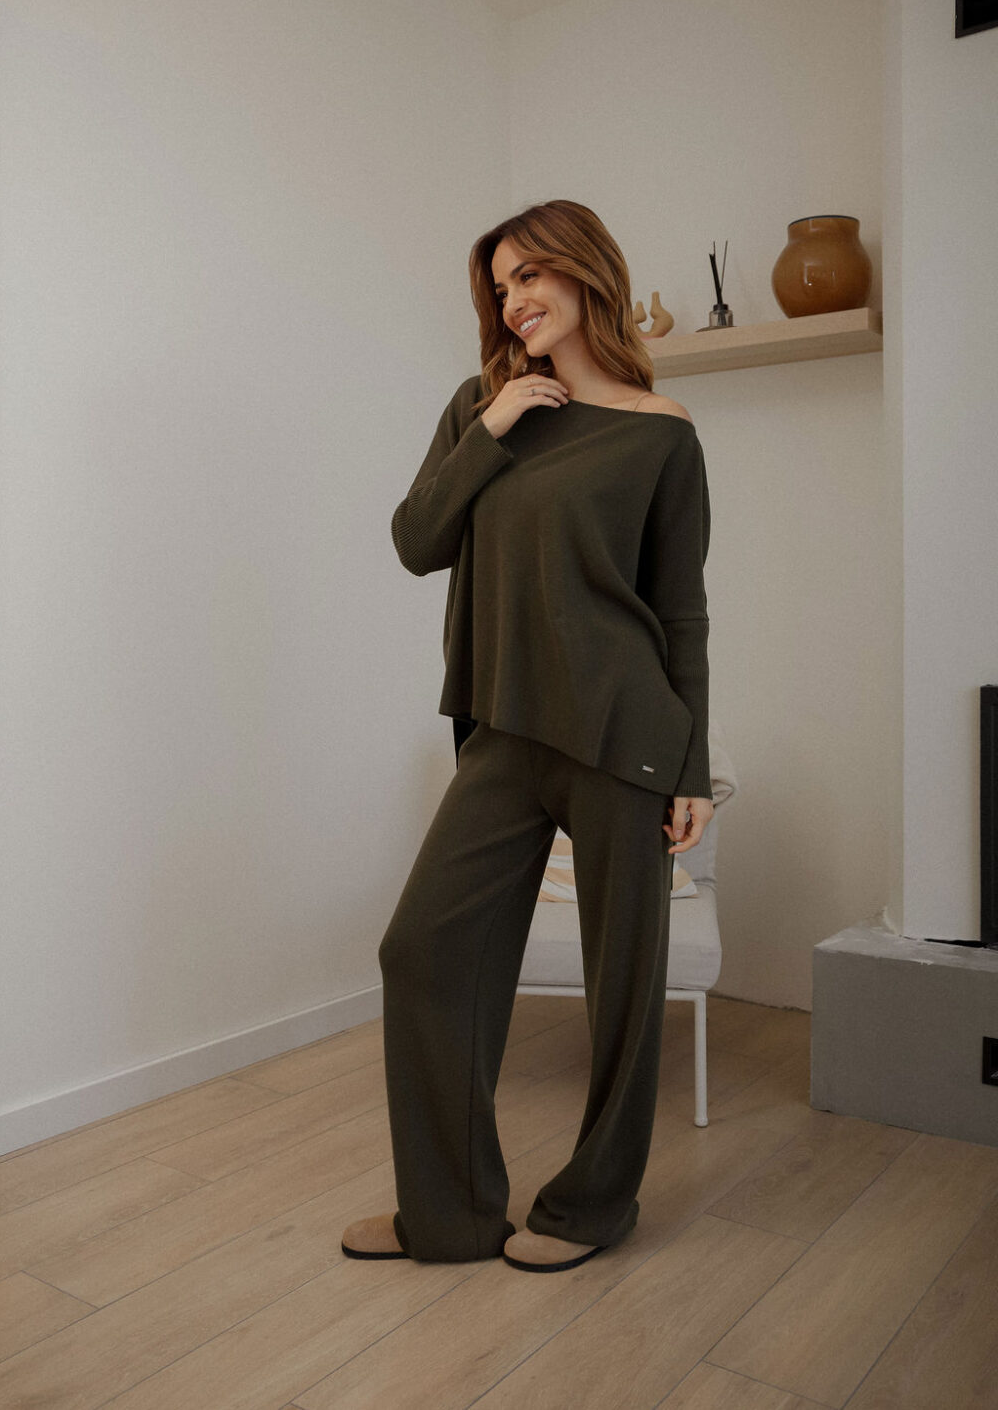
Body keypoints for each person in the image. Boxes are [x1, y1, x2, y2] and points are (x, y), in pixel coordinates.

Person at [342, 199, 714, 1274]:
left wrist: (690, 768)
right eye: (501, 285)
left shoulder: (660, 432)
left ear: (586, 273)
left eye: (531, 275)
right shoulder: (482, 406)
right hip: (506, 730)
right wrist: (495, 427)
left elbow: (679, 610)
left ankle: (592, 1205)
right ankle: (449, 1215)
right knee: (422, 951)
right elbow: (417, 540)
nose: (515, 300)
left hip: (625, 736)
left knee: (623, 987)